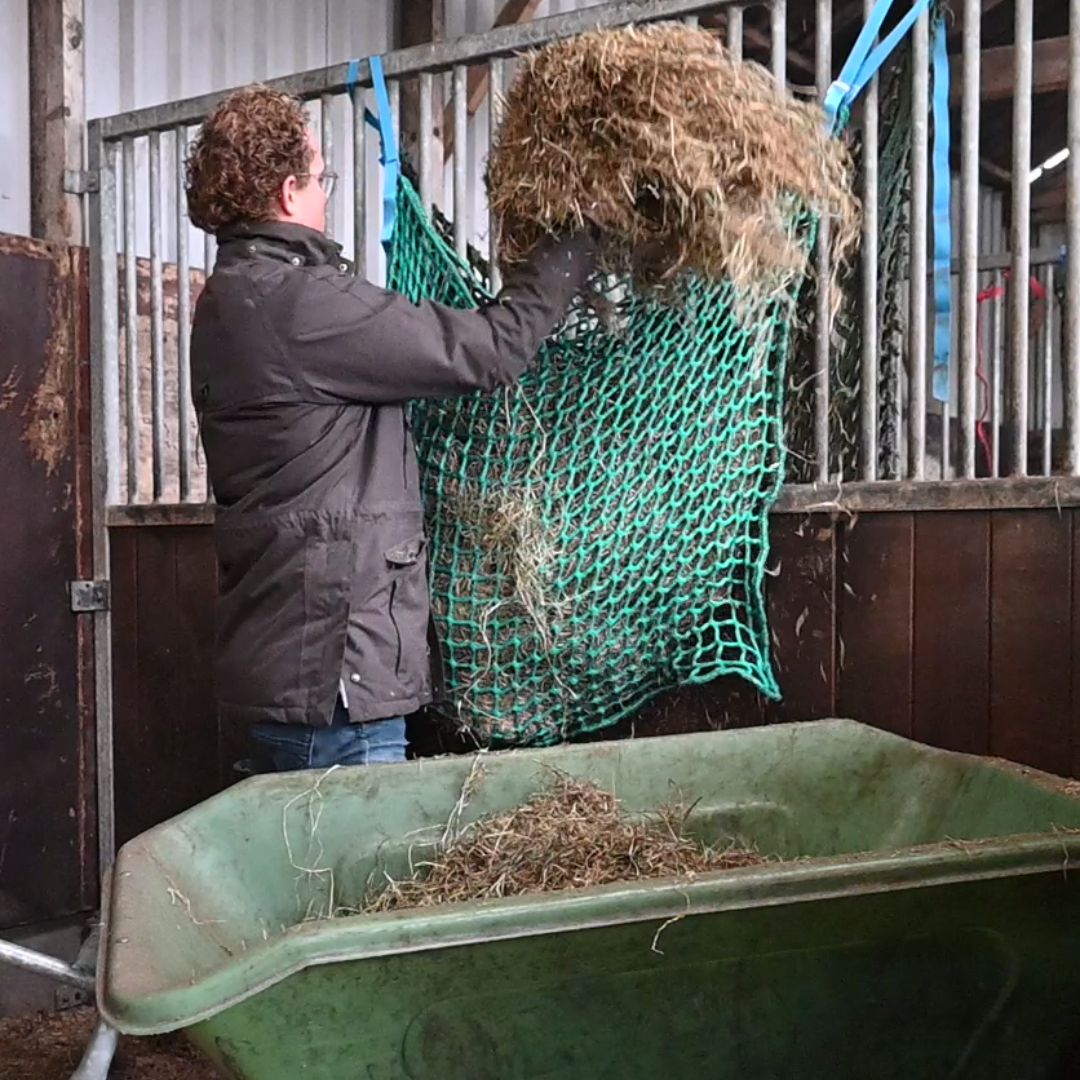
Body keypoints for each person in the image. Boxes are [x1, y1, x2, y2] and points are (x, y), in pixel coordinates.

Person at [185, 85, 594, 772]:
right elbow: (488, 351)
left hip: (286, 664)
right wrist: (575, 242)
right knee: (358, 873)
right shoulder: (301, 305)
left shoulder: (228, 298)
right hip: (336, 681)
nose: (325, 194)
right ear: (289, 192)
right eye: (322, 177)